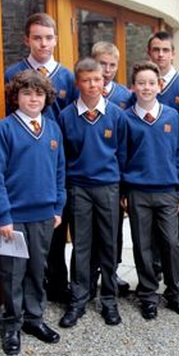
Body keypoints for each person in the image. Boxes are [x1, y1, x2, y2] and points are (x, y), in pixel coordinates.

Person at [0, 70, 66, 355]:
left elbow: (59, 171)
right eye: (27, 93)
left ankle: (34, 318)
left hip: (44, 215)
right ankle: (11, 323)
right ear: (15, 96)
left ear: (47, 98)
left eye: (39, 94)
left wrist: (58, 206)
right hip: (13, 217)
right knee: (12, 272)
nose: (33, 98)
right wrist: (3, 215)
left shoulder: (53, 129)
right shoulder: (3, 130)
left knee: (36, 269)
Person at [4, 12, 77, 303]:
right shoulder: (13, 74)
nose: (43, 43)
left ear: (56, 40)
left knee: (55, 229)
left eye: (48, 38)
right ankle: (23, 294)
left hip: (56, 161)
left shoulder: (67, 76)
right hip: (24, 163)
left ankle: (58, 285)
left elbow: (72, 118)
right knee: (23, 237)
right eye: (37, 38)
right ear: (27, 40)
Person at [56, 57, 127, 328]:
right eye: (86, 80)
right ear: (77, 83)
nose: (92, 85)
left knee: (108, 244)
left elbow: (122, 153)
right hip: (79, 188)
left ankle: (109, 299)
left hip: (108, 187)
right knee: (81, 246)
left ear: (104, 81)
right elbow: (63, 156)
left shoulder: (116, 115)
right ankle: (78, 299)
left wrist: (120, 188)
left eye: (97, 79)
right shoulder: (66, 117)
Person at [121, 61, 179, 319]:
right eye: (141, 83)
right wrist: (124, 193)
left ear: (160, 86)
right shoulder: (126, 118)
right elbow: (121, 157)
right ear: (133, 87)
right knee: (142, 245)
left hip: (167, 192)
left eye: (151, 82)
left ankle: (174, 293)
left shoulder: (172, 116)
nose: (146, 87)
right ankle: (148, 294)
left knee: (171, 243)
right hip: (138, 192)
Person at [146, 31, 179, 292]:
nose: (160, 54)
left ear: (173, 53)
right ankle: (154, 269)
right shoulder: (144, 84)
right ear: (149, 53)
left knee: (177, 226)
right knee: (151, 229)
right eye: (156, 49)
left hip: (174, 169)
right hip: (149, 170)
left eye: (165, 50)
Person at [90, 41, 132, 294]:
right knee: (89, 230)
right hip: (85, 176)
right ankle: (88, 272)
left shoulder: (125, 97)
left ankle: (111, 270)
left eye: (111, 65)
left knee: (112, 228)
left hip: (112, 176)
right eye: (102, 64)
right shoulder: (83, 90)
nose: (106, 70)